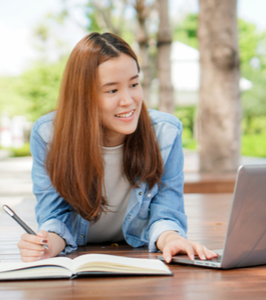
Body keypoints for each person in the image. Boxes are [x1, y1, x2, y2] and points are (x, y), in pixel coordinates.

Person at [18, 32, 217, 263]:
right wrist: (44, 246)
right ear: (83, 97)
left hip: (138, 257)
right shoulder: (48, 135)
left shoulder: (166, 133)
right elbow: (55, 217)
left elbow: (166, 212)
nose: (128, 100)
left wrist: (172, 240)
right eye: (112, 90)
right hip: (79, 261)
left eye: (134, 84)